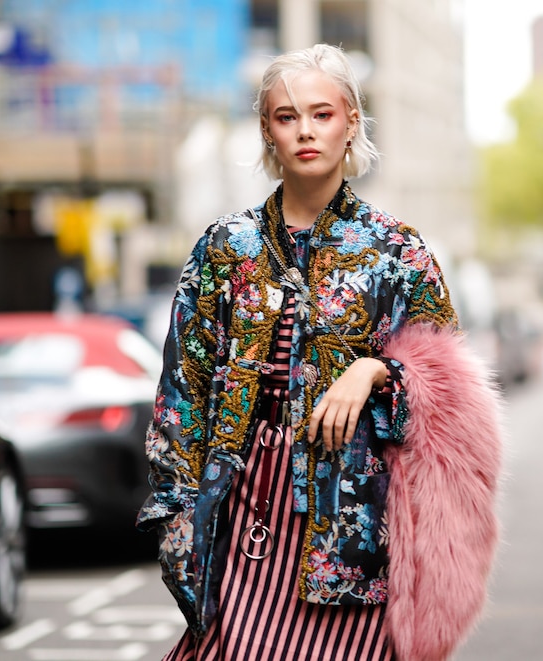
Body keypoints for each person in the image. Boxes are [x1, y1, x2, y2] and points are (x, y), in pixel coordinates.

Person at [138, 43, 504, 661]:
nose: (305, 130)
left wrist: (375, 370)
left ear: (350, 123)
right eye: (286, 116)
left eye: (322, 114)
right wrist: (178, 512)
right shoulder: (225, 247)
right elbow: (183, 392)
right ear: (267, 131)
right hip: (243, 507)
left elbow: (454, 402)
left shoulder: (397, 250)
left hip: (352, 520)